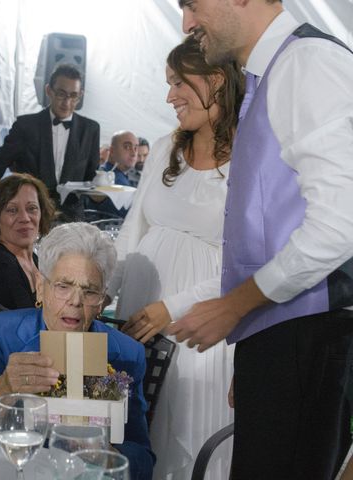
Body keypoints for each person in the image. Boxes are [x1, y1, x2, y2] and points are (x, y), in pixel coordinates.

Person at [169, 1, 353, 479]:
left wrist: (235, 307)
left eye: (192, 4)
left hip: (308, 337)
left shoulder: (308, 63)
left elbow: (341, 223)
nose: (187, 23)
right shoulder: (269, 72)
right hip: (279, 336)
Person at [107, 35, 243, 479]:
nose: (169, 96)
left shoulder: (251, 154)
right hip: (137, 316)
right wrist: (102, 290)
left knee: (185, 437)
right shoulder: (165, 145)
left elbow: (245, 260)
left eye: (179, 82)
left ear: (217, 80)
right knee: (133, 431)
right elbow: (133, 231)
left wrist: (173, 307)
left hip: (199, 329)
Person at [0, 223, 155, 480]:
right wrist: (5, 386)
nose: (75, 301)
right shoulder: (2, 333)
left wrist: (105, 452)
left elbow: (143, 460)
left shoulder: (128, 354)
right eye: (63, 286)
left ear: (101, 302)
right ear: (41, 288)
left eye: (89, 291)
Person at [0, 64, 100, 220]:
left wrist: (104, 192)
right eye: (61, 94)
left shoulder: (91, 130)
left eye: (73, 96)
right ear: (49, 90)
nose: (67, 102)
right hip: (31, 217)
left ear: (80, 95)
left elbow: (92, 178)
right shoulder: (26, 126)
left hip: (72, 221)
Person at [0, 173, 55, 309]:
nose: (25, 218)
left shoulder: (34, 259)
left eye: (32, 208)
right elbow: (25, 325)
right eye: (12, 210)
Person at [85, 131, 138, 217]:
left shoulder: (119, 175)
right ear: (112, 151)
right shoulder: (105, 178)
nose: (133, 153)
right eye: (127, 147)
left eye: (136, 148)